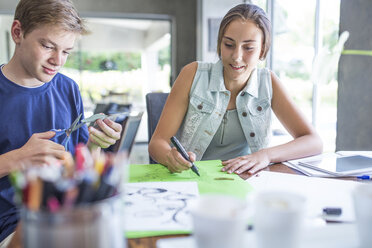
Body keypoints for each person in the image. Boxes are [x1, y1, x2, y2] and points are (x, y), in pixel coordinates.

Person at [0, 0, 122, 245]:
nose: (58, 60)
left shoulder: (68, 88)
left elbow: (77, 164)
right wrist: (16, 159)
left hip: (69, 213)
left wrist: (95, 145)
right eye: (47, 46)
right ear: (17, 33)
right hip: (13, 223)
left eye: (66, 51)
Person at [149, 3, 322, 174]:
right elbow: (157, 143)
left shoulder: (268, 82)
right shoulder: (192, 74)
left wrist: (266, 156)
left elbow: (313, 141)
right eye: (229, 45)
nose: (237, 57)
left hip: (248, 182)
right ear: (219, 45)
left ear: (262, 50)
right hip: (195, 181)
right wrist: (169, 157)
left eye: (248, 48)